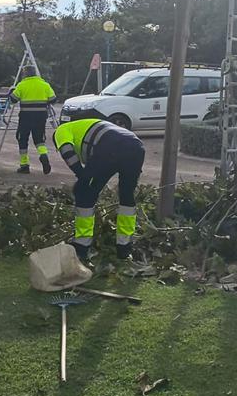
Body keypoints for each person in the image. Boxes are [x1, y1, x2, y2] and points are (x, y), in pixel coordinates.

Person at [53, 118, 146, 261]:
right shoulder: (84, 124)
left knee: (83, 193)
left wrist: (81, 175)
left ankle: (82, 246)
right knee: (126, 195)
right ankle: (124, 247)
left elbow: (67, 151)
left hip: (109, 145)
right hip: (136, 146)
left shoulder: (61, 130)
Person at [11, 66, 57, 174]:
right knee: (39, 140)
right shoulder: (44, 85)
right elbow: (53, 99)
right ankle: (43, 155)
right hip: (40, 117)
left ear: (25, 74)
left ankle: (24, 165)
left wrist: (11, 91)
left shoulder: (22, 85)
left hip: (25, 117)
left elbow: (13, 100)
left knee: (22, 139)